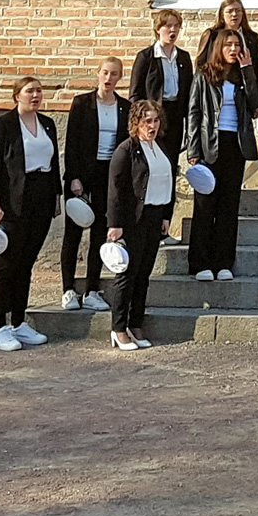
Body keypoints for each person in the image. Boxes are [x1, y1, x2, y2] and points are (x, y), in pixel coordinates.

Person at [0, 76, 61, 351]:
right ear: (17, 96)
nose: (36, 95)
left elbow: (54, 164)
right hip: (11, 201)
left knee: (27, 262)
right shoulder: (2, 126)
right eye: (30, 91)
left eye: (39, 91)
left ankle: (18, 322)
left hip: (41, 198)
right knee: (6, 264)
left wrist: (57, 196)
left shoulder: (48, 124)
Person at [185, 29, 258, 281]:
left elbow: (255, 105)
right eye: (228, 44)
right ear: (219, 47)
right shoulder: (204, 74)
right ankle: (200, 263)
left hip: (235, 145)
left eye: (236, 45)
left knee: (229, 206)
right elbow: (195, 112)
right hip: (210, 144)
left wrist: (249, 70)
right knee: (206, 205)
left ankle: (224, 262)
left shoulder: (242, 75)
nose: (232, 49)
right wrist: (193, 150)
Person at [60, 57, 130, 312]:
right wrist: (74, 176)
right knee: (74, 234)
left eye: (114, 74)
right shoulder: (82, 103)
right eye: (104, 73)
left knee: (101, 233)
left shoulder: (125, 106)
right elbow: (72, 142)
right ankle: (68, 289)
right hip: (82, 175)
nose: (108, 78)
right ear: (97, 74)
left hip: (108, 175)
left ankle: (91, 289)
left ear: (120, 77)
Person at [105, 100, 175, 351]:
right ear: (136, 122)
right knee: (127, 274)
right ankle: (118, 328)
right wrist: (115, 224)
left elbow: (168, 183)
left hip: (155, 218)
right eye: (147, 120)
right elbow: (116, 189)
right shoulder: (126, 150)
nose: (152, 125)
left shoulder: (161, 148)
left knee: (144, 274)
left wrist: (167, 215)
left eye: (156, 120)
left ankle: (136, 323)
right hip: (133, 219)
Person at [129, 9, 193, 178]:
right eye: (168, 26)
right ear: (158, 29)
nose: (172, 31)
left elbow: (188, 92)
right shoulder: (146, 57)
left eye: (176, 26)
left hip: (175, 116)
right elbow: (135, 93)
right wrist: (141, 121)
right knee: (152, 162)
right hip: (154, 115)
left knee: (170, 163)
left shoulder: (183, 58)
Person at [195, 0, 258, 81]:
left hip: (243, 86)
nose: (234, 14)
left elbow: (257, 69)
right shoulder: (212, 35)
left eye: (238, 11)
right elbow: (201, 65)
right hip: (217, 84)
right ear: (222, 14)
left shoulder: (252, 37)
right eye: (229, 11)